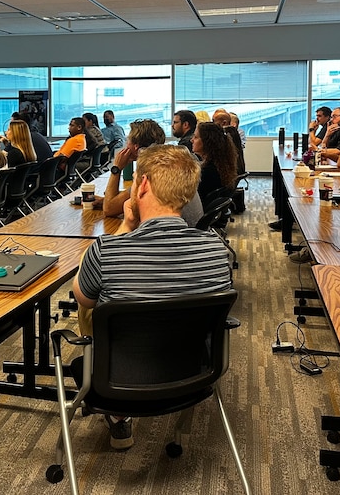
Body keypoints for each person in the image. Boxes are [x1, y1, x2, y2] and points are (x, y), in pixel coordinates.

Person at [72, 144, 232, 450]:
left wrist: (125, 227)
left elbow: (83, 296)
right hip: (194, 379)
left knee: (91, 309)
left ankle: (119, 418)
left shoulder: (107, 251)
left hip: (115, 386)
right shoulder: (216, 250)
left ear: (142, 184)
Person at [101, 119, 203, 226]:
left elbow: (109, 208)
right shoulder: (166, 161)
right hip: (191, 231)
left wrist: (116, 169)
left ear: (136, 146)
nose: (126, 144)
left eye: (128, 140)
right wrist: (106, 200)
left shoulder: (153, 168)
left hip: (178, 235)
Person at [192, 122, 238, 205]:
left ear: (207, 142)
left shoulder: (207, 172)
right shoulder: (220, 165)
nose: (191, 140)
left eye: (195, 137)